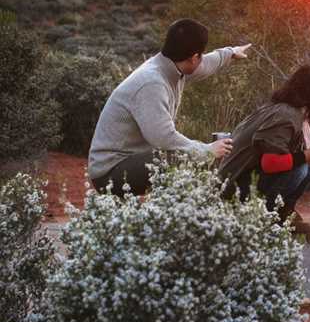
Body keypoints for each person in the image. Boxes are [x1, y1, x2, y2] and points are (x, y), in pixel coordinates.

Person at [88, 19, 250, 195]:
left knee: (186, 156)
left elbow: (204, 66)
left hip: (130, 160)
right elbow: (163, 138)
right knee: (181, 159)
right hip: (110, 171)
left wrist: (230, 53)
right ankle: (180, 216)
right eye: (200, 56)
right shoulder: (152, 83)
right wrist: (207, 151)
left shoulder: (170, 65)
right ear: (194, 57)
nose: (201, 59)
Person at [218, 64, 310, 223]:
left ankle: (284, 212)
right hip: (231, 188)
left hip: (243, 179)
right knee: (300, 170)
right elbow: (270, 163)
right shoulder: (285, 115)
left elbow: (307, 155)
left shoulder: (294, 113)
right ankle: (265, 217)